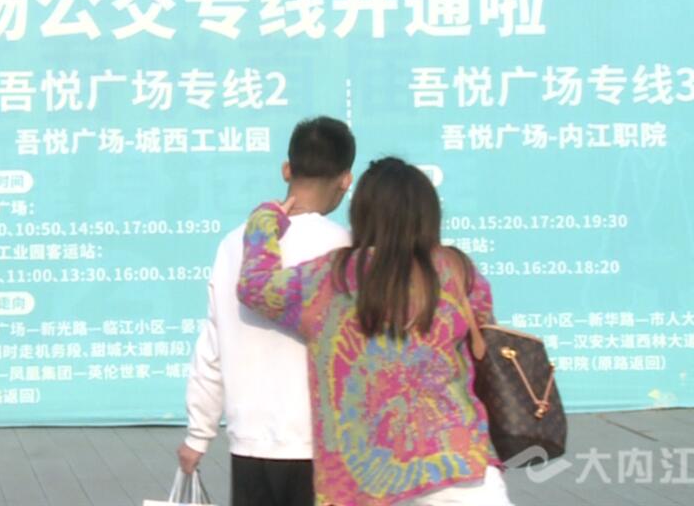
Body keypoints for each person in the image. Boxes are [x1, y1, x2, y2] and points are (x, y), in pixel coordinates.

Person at [237, 157, 513, 506]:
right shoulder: (456, 270)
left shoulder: (330, 278)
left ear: (362, 213)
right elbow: (485, 337)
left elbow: (255, 286)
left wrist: (265, 219)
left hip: (367, 483)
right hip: (461, 469)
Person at [177, 116, 356, 506]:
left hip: (250, 442)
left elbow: (211, 349)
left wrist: (198, 435)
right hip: (327, 446)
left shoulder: (233, 245)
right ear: (346, 180)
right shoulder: (348, 251)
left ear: (287, 169)